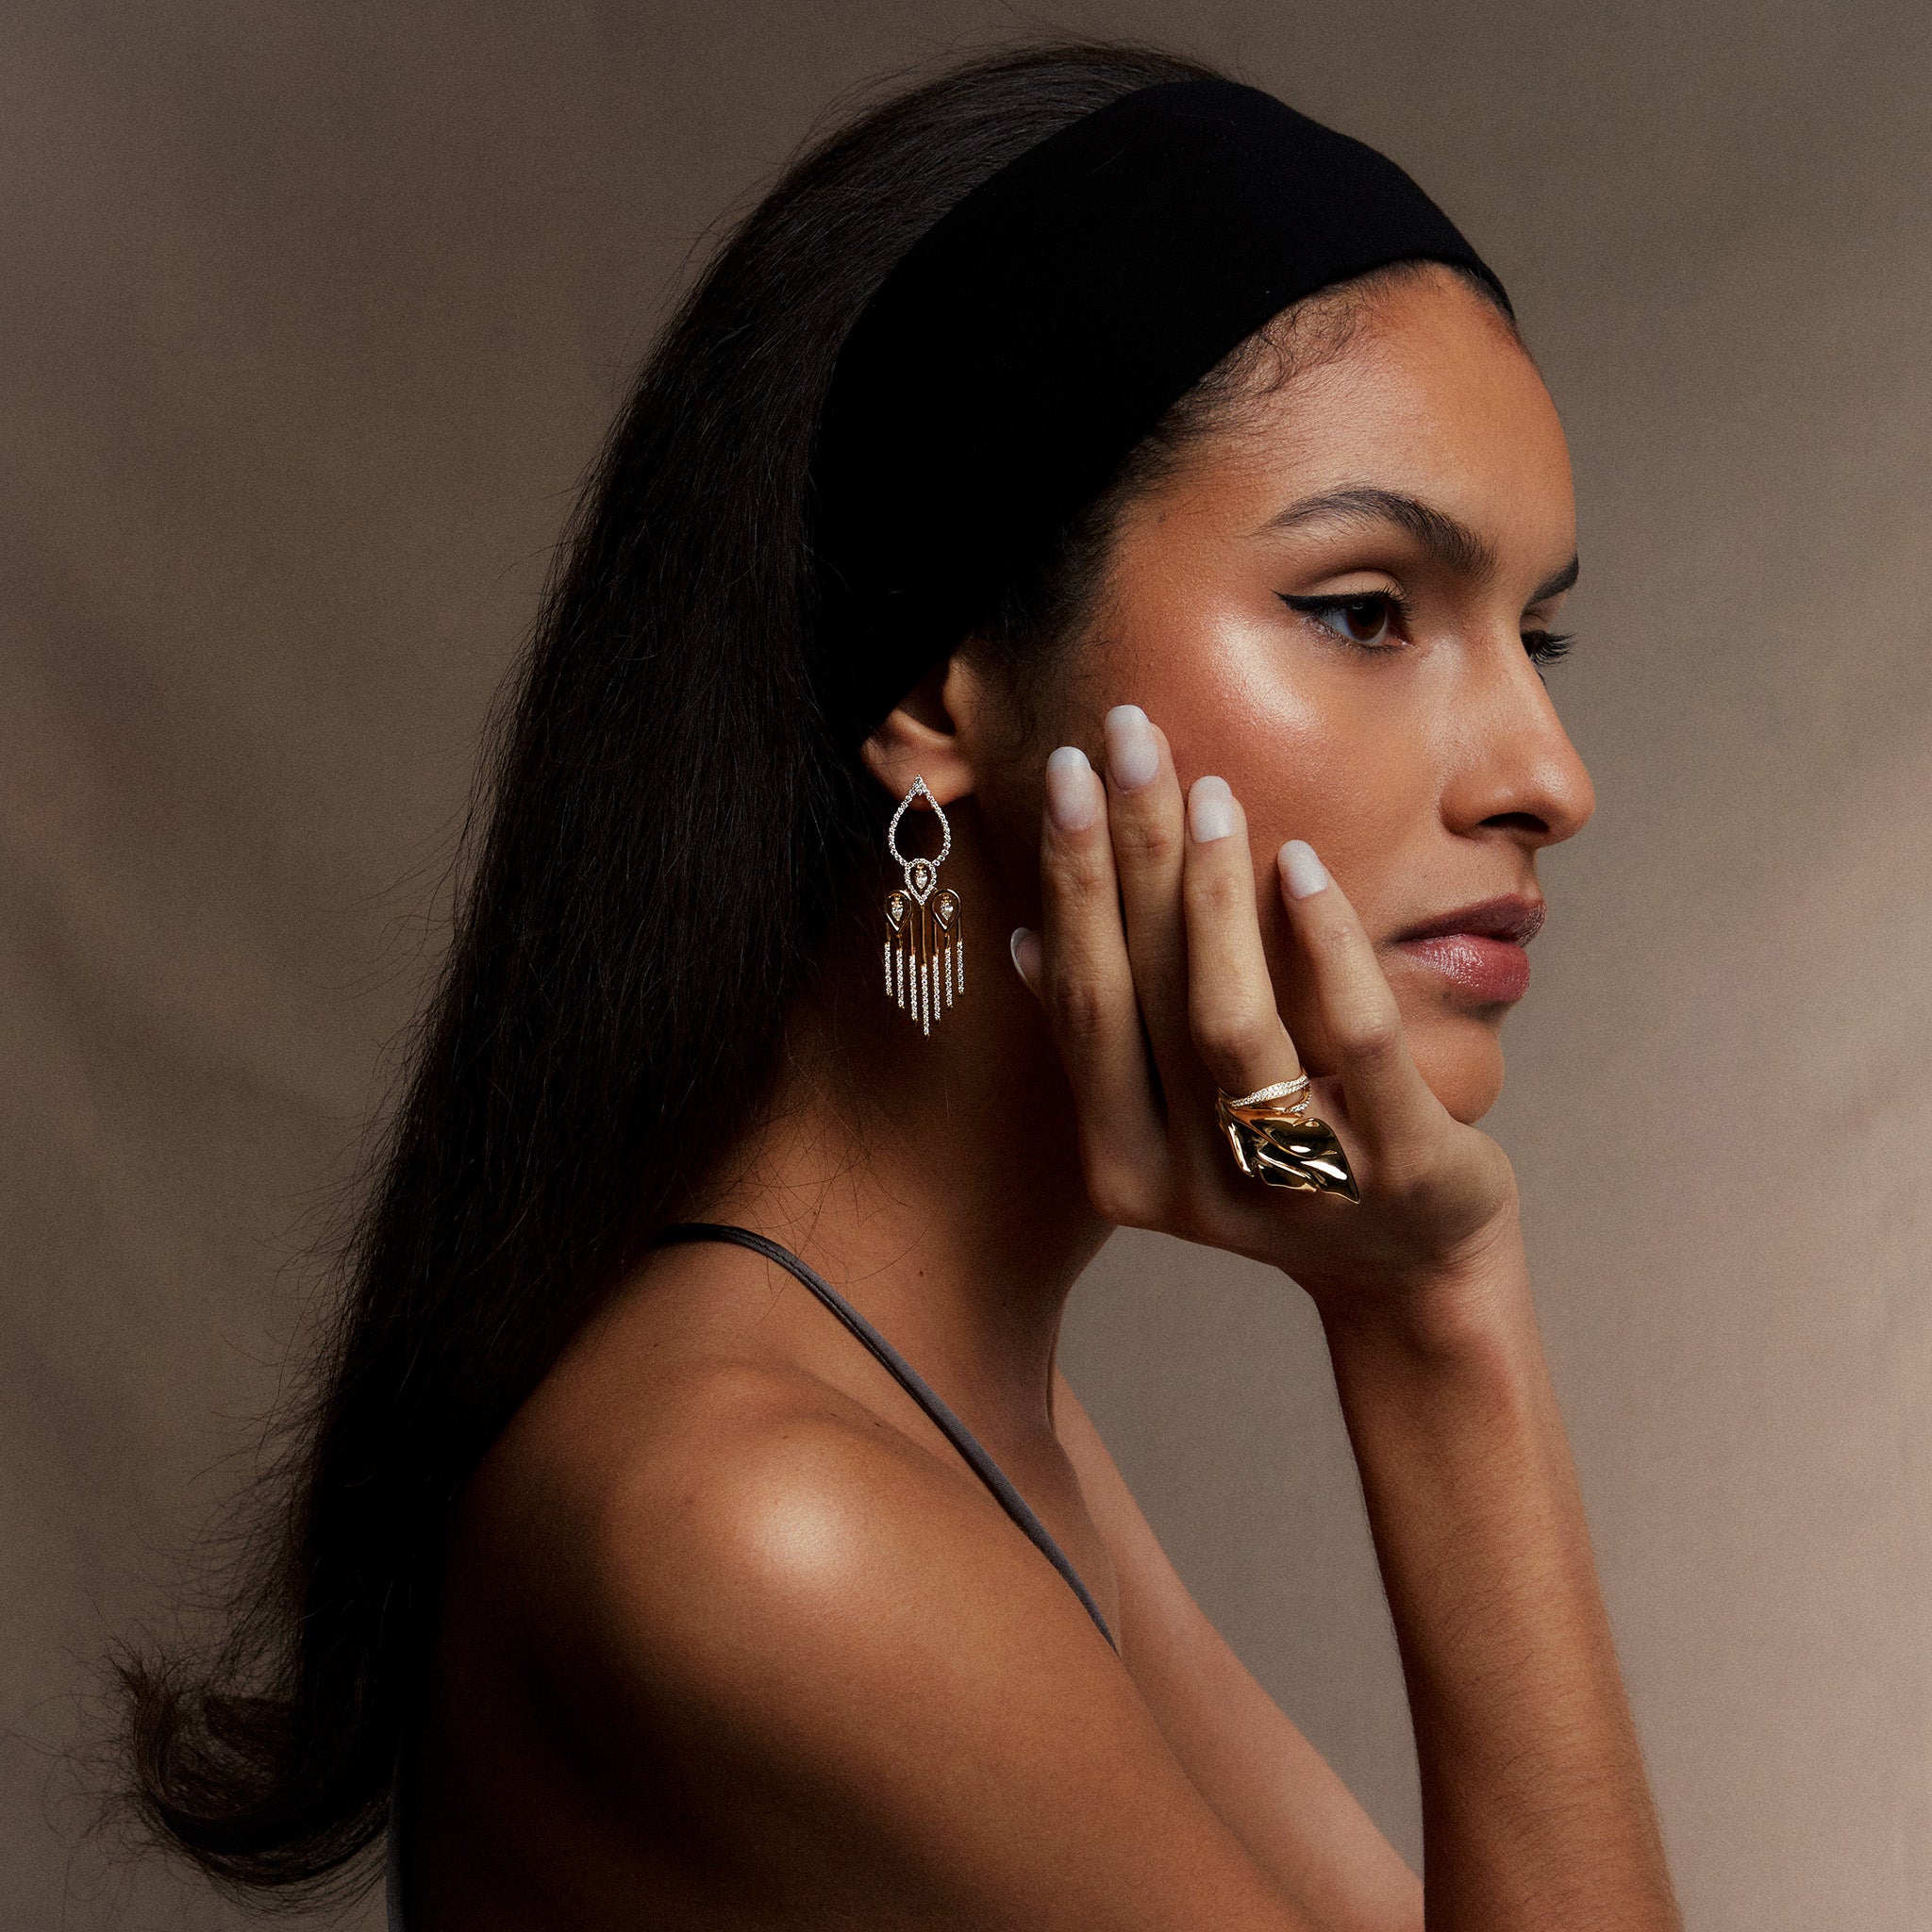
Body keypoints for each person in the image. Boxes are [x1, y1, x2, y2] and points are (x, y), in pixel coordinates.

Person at [121, 42, 1681, 1931]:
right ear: (945, 690)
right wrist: (1435, 1316)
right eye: (1363, 612)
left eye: (1539, 632)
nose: (1546, 774)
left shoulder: (934, 1398)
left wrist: (1411, 1279)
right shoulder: (760, 1522)